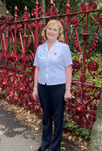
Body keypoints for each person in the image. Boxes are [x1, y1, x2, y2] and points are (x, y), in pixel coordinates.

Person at [32, 20, 73, 151]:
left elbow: (68, 69)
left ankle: (54, 147)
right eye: (50, 29)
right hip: (43, 86)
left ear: (59, 33)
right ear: (46, 31)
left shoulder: (63, 48)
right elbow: (37, 69)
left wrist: (67, 90)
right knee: (46, 116)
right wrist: (35, 88)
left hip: (58, 87)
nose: (52, 31)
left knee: (58, 117)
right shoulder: (40, 48)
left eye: (55, 30)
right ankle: (45, 143)